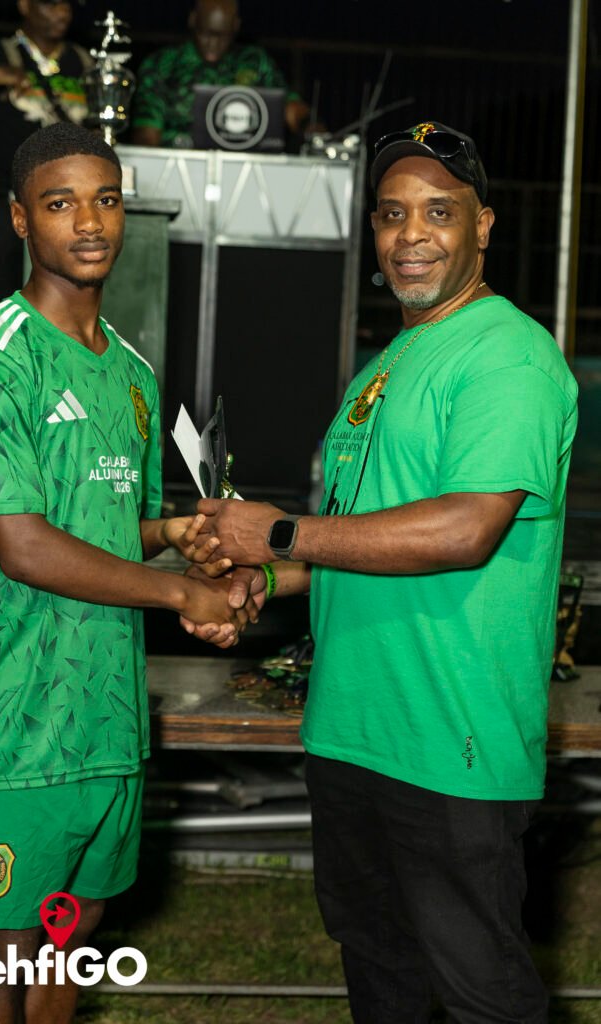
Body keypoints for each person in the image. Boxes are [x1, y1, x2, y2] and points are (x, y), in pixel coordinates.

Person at [190, 121, 578, 1022]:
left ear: (482, 226)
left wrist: (276, 535)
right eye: (392, 213)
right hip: (353, 730)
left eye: (439, 212)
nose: (412, 234)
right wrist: (263, 581)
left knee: (481, 994)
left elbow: (463, 530)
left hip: (449, 739)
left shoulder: (506, 355)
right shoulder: (388, 361)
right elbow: (357, 538)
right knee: (380, 977)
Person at [0, 122, 255, 1024]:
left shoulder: (135, 375)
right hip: (12, 731)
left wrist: (174, 534)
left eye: (105, 200)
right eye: (60, 202)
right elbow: (25, 547)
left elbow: (107, 528)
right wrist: (182, 590)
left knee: (72, 939)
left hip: (108, 720)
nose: (88, 221)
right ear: (19, 219)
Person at [0, 0, 92, 307]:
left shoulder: (81, 61)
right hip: (3, 198)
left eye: (67, 4)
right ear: (25, 5)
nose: (62, 12)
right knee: (0, 295)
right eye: (51, 4)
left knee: (62, 297)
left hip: (67, 204)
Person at [131, 0, 310, 148]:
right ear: (193, 20)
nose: (213, 44)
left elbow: (290, 107)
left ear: (235, 26)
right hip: (178, 165)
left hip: (246, 166)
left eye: (222, 36)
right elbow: (147, 134)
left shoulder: (255, 61)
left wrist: (309, 126)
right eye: (206, 34)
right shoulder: (162, 64)